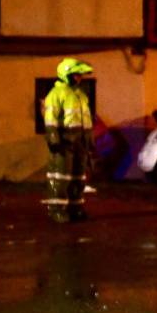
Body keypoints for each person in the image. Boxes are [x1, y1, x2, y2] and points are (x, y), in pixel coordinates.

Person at [42, 58, 96, 223]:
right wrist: (53, 138)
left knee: (78, 177)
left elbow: (86, 119)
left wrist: (89, 139)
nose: (79, 78)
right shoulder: (56, 94)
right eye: (76, 75)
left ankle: (75, 208)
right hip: (64, 141)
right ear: (67, 75)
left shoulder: (80, 94)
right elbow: (50, 119)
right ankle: (56, 210)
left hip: (80, 140)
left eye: (80, 75)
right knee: (60, 177)